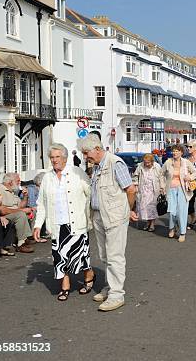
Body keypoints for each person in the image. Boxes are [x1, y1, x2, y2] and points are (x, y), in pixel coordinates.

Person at [78, 134, 137, 312]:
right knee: (104, 255)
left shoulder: (115, 163)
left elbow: (131, 189)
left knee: (115, 256)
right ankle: (110, 287)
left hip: (114, 216)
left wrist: (127, 211)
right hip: (99, 215)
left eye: (86, 153)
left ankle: (117, 294)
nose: (85, 156)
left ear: (97, 149)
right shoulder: (96, 166)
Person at [32, 144, 95, 302]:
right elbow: (41, 203)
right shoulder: (47, 177)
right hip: (57, 225)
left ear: (65, 158)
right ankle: (65, 287)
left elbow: (91, 194)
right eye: (52, 157)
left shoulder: (76, 172)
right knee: (59, 258)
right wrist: (38, 224)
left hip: (77, 223)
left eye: (57, 157)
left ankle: (89, 276)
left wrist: (91, 216)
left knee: (81, 256)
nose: (54, 160)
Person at [161, 144, 196, 242]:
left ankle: (182, 233)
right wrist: (162, 186)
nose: (175, 153)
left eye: (177, 151)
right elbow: (161, 174)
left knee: (182, 211)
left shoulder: (186, 162)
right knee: (171, 211)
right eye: (173, 151)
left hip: (182, 189)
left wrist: (189, 177)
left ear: (181, 152)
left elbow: (195, 172)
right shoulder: (168, 162)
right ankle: (172, 228)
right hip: (170, 190)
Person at [0, 173, 34, 253]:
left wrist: (25, 196)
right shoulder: (0, 190)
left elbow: (20, 206)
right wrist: (21, 211)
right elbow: (2, 210)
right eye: (18, 181)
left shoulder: (12, 191)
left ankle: (27, 237)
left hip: (14, 214)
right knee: (21, 214)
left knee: (31, 211)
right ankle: (21, 243)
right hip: (3, 216)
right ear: (10, 182)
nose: (20, 182)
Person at [132, 153, 165, 233]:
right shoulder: (140, 166)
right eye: (145, 162)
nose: (146, 164)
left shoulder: (156, 166)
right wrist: (135, 184)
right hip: (143, 190)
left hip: (153, 190)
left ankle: (152, 224)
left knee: (152, 207)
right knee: (144, 208)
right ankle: (148, 222)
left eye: (148, 162)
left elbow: (161, 177)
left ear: (152, 162)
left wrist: (162, 187)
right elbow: (135, 176)